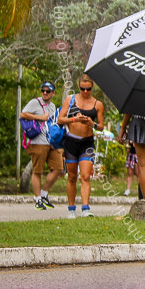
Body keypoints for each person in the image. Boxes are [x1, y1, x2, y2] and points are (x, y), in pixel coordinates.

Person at [57, 75, 105, 218]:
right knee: (72, 177)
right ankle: (71, 209)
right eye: (83, 89)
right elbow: (60, 119)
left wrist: (92, 124)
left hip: (87, 143)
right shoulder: (70, 100)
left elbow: (101, 126)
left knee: (85, 176)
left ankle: (86, 208)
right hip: (71, 142)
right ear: (79, 87)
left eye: (88, 89)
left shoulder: (97, 104)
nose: (85, 92)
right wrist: (74, 119)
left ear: (92, 88)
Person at [20, 81, 64, 210]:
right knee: (37, 171)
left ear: (53, 93)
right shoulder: (35, 102)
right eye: (43, 90)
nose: (45, 93)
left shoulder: (53, 106)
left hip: (51, 142)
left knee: (58, 168)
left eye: (48, 91)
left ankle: (44, 194)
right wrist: (39, 117)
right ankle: (37, 198)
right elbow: (23, 114)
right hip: (38, 142)